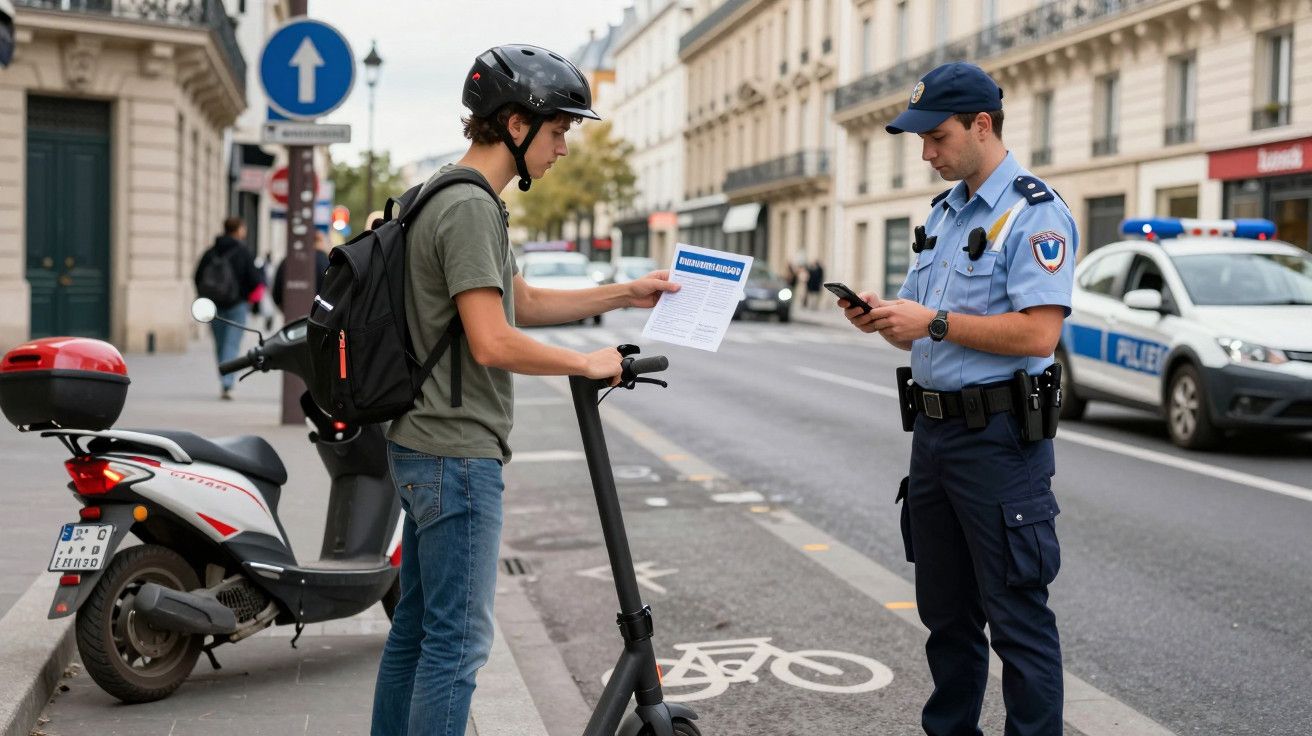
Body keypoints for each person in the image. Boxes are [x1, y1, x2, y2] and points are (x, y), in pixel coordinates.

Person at [370, 44, 679, 736]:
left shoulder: (444, 193)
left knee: (417, 631)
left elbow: (522, 302)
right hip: (456, 454)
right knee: (457, 644)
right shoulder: (470, 208)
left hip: (421, 443)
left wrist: (625, 292)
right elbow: (492, 340)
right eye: (558, 129)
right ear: (516, 124)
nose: (563, 147)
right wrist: (585, 363)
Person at [839, 62, 1077, 736]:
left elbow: (1039, 332)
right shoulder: (944, 213)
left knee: (1017, 619)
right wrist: (883, 319)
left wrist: (935, 323)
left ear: (981, 126)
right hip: (934, 438)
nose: (926, 153)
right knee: (946, 617)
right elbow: (917, 328)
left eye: (936, 137)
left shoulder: (1034, 213)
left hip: (1000, 442)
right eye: (921, 139)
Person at [193, 217, 263, 399]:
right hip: (237, 304)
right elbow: (255, 279)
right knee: (231, 344)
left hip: (213, 306)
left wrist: (206, 297)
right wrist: (247, 297)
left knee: (220, 344)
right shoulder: (243, 252)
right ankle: (227, 383)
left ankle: (225, 377)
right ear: (238, 230)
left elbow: (198, 277)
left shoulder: (211, 252)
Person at [272, 230, 331, 315]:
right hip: (318, 315)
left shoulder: (289, 259)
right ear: (321, 242)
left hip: (292, 313)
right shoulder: (326, 262)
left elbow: (277, 291)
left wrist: (285, 309)